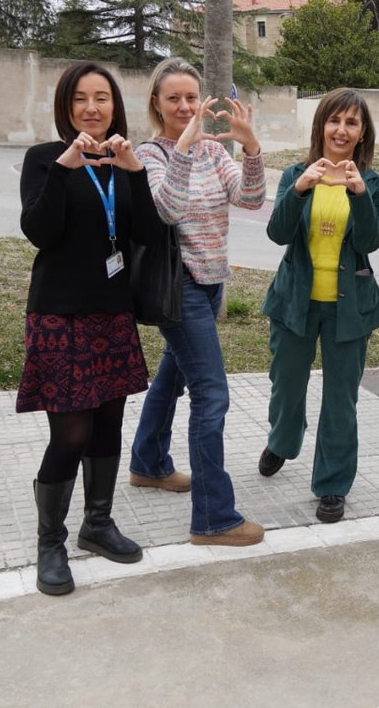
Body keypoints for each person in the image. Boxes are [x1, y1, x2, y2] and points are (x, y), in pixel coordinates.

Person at [17, 61, 165, 596]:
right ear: (67, 105)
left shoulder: (120, 162)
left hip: (112, 311)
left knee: (106, 423)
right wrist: (64, 166)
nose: (92, 108)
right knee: (70, 432)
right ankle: (49, 543)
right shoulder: (45, 159)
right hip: (59, 314)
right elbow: (39, 230)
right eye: (81, 98)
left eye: (101, 98)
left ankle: (96, 524)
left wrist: (134, 173)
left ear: (114, 106)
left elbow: (148, 234)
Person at [128, 57, 268, 546]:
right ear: (157, 104)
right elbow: (166, 210)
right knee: (211, 395)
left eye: (192, 97)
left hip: (212, 283)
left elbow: (249, 199)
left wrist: (250, 147)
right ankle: (212, 518)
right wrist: (183, 149)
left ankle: (148, 464)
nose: (185, 106)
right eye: (175, 98)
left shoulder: (213, 150)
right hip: (180, 286)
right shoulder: (151, 154)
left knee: (172, 377)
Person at [258, 89, 379, 523]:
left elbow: (369, 243)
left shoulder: (370, 183)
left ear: (362, 133)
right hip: (295, 301)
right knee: (286, 384)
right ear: (321, 126)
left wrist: (357, 195)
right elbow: (277, 234)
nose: (342, 129)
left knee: (340, 399)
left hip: (348, 309)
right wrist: (298, 189)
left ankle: (332, 484)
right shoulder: (297, 173)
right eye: (335, 120)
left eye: (352, 122)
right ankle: (282, 440)